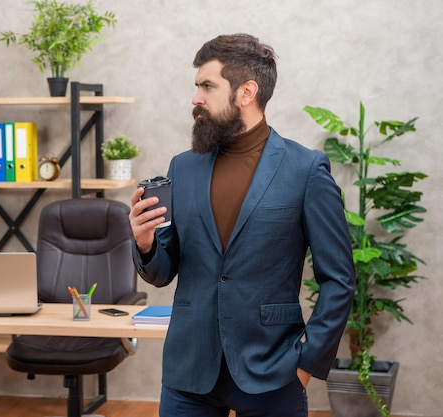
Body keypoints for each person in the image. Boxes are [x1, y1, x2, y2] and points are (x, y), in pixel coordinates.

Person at [129, 34, 355, 417]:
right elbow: (163, 271)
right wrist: (146, 242)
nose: (195, 98)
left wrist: (306, 365)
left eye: (207, 86)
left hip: (273, 371)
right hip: (189, 373)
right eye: (196, 86)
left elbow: (339, 279)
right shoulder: (181, 168)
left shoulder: (306, 170)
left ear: (246, 91)